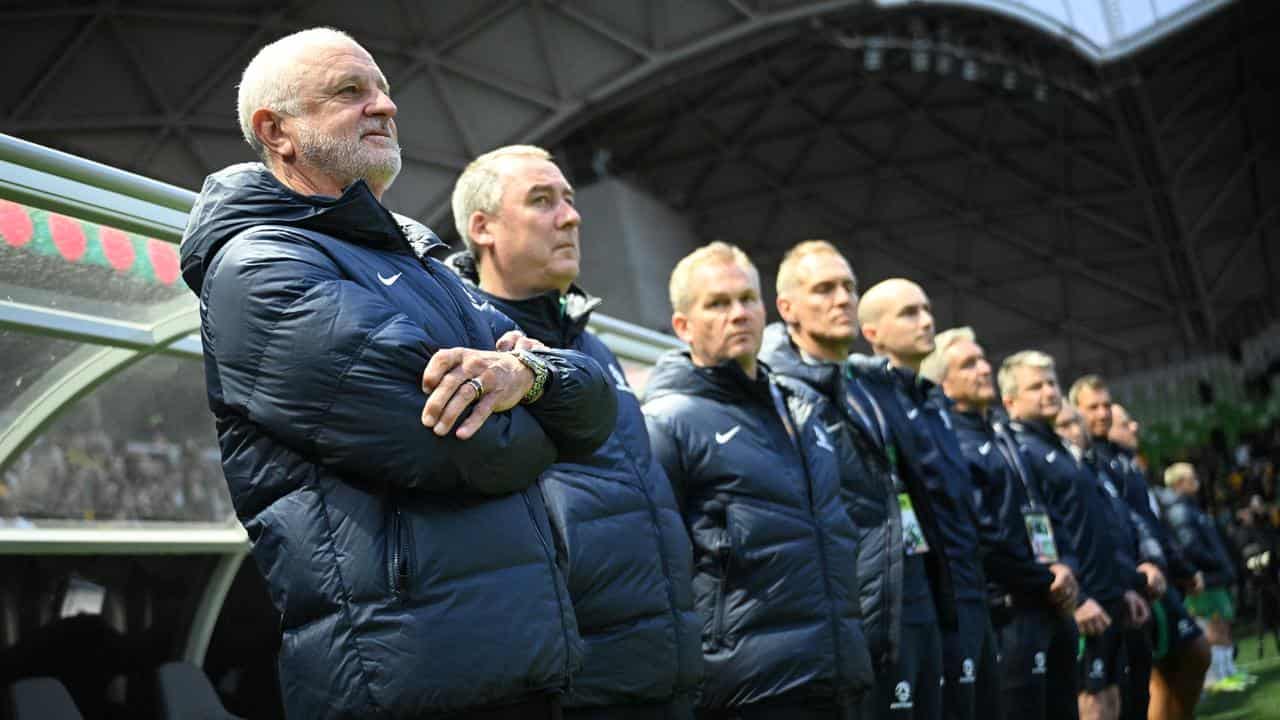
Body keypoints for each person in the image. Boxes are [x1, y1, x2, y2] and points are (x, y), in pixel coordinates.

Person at [179, 28, 619, 719]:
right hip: (405, 682)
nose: (383, 105)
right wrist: (542, 422)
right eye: (351, 92)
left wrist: (525, 379)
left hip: (521, 664)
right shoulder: (260, 267)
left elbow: (597, 412)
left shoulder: (426, 266)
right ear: (278, 131)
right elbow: (468, 445)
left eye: (384, 88)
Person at [448, 144, 702, 719]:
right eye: (542, 201)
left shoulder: (594, 347)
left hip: (665, 669)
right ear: (482, 228)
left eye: (569, 199)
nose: (571, 215)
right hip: (574, 682)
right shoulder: (468, 346)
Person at [642, 242, 874, 719]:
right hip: (747, 690)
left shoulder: (804, 410)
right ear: (683, 326)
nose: (739, 313)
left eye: (748, 299)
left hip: (838, 675)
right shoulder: (667, 423)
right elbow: (657, 572)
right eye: (718, 304)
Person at [759, 241, 952, 720]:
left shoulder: (865, 384)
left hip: (911, 593)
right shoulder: (776, 393)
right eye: (823, 289)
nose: (842, 298)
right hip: (852, 617)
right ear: (788, 309)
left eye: (848, 286)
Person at [850, 279, 994, 720]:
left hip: (966, 593)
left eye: (927, 309)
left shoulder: (932, 400)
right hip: (917, 599)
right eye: (909, 313)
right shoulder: (866, 397)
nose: (926, 320)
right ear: (872, 332)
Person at [920, 328, 1078, 720]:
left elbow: (1046, 510)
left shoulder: (1003, 432)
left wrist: (1065, 566)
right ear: (944, 381)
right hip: (1008, 611)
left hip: (1049, 599)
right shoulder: (951, 441)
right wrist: (1044, 578)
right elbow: (982, 535)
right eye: (969, 364)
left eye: (983, 359)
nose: (984, 369)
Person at [1000, 352, 1149, 720]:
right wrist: (1077, 599)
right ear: (1010, 401)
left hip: (1107, 592)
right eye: (1036, 386)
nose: (1049, 391)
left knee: (1115, 696)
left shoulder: (1059, 450)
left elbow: (1098, 529)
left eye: (1052, 383)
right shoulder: (1021, 453)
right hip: (1079, 600)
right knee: (1092, 702)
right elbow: (1039, 530)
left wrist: (1122, 586)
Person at [1069, 378, 1170, 720]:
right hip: (1096, 596)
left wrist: (1151, 563)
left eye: (1106, 405)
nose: (1101, 414)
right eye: (1091, 407)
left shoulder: (1109, 464)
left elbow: (1134, 524)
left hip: (1127, 589)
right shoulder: (1079, 468)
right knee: (1100, 700)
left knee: (1129, 696)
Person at [1107, 401, 1210, 720]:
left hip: (1159, 574)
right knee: (1175, 662)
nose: (1134, 426)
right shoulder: (1106, 468)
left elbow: (1152, 526)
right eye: (1124, 423)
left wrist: (1181, 568)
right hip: (1135, 581)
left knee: (1185, 659)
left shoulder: (1129, 466)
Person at [1164, 463, 1247, 692]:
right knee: (1213, 625)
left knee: (1223, 623)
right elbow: (1190, 546)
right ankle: (1217, 678)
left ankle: (1228, 671)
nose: (1196, 481)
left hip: (1214, 576)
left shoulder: (1192, 508)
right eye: (1191, 478)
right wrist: (1216, 563)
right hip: (1204, 577)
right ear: (1179, 483)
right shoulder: (1179, 510)